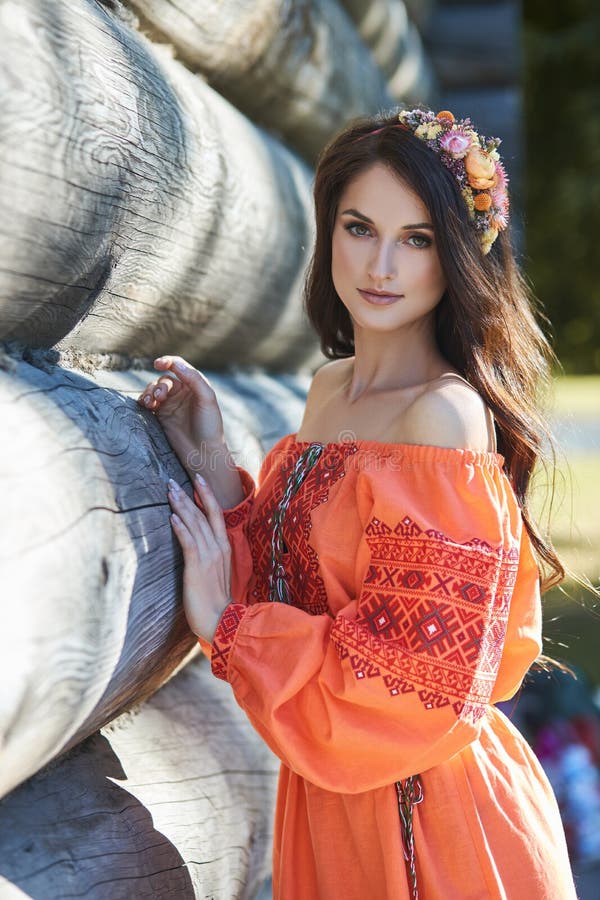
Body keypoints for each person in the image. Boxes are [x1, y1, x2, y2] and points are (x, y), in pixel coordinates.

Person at [137, 107, 577, 899]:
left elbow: (415, 680)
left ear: (457, 257)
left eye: (417, 239)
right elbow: (299, 576)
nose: (381, 264)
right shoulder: (329, 389)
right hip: (334, 805)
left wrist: (228, 628)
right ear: (328, 231)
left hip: (429, 820)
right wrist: (204, 451)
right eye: (358, 227)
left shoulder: (441, 415)